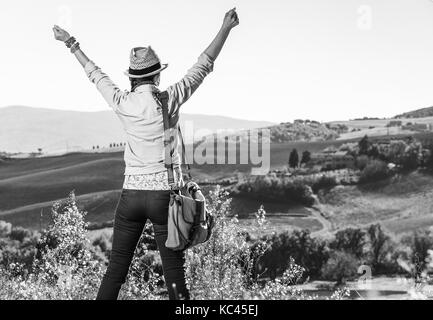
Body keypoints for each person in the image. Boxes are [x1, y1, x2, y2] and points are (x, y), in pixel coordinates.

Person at [52, 8, 239, 300]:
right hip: (165, 198)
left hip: (131, 197)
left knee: (115, 271)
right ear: (156, 75)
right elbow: (203, 65)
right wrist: (225, 28)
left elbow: (95, 74)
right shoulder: (170, 99)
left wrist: (71, 43)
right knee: (175, 276)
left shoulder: (121, 101)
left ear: (133, 78)